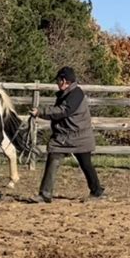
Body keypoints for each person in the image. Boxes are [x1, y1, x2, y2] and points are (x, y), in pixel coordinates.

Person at [29, 66, 105, 203]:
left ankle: (97, 191)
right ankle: (45, 194)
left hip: (77, 136)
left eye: (58, 81)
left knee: (85, 164)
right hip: (67, 136)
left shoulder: (75, 94)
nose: (57, 84)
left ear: (64, 81)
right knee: (54, 158)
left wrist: (40, 112)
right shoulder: (68, 93)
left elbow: (62, 111)